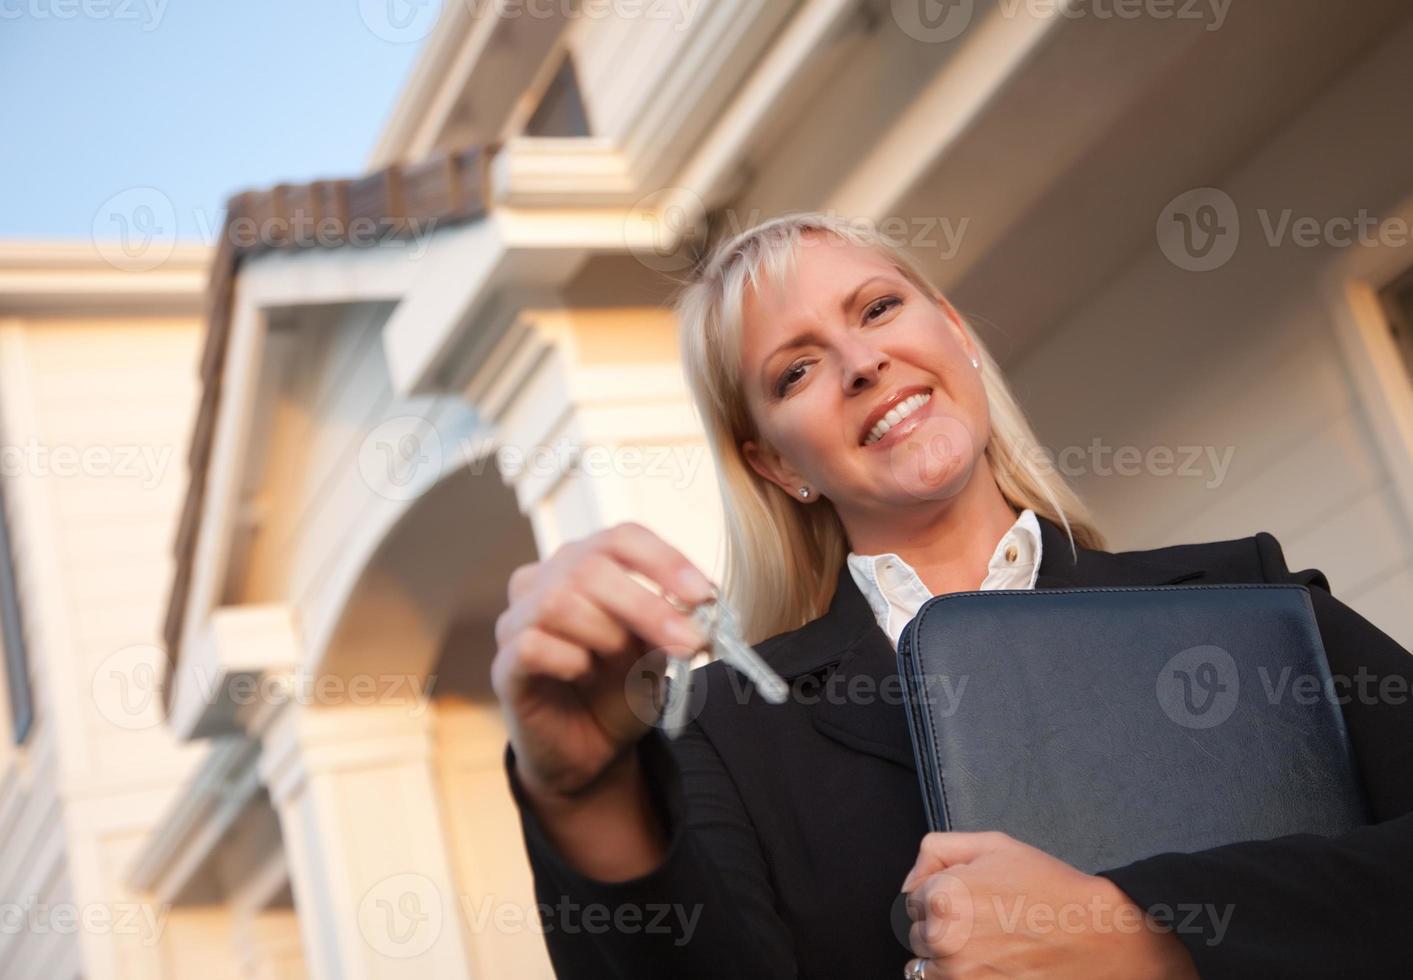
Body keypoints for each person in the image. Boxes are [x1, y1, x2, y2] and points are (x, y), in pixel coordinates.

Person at [491, 211, 1413, 979]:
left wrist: (1140, 932)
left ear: (957, 337)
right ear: (774, 463)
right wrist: (581, 791)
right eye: (796, 369)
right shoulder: (727, 733)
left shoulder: (1241, 595)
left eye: (879, 308)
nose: (861, 362)